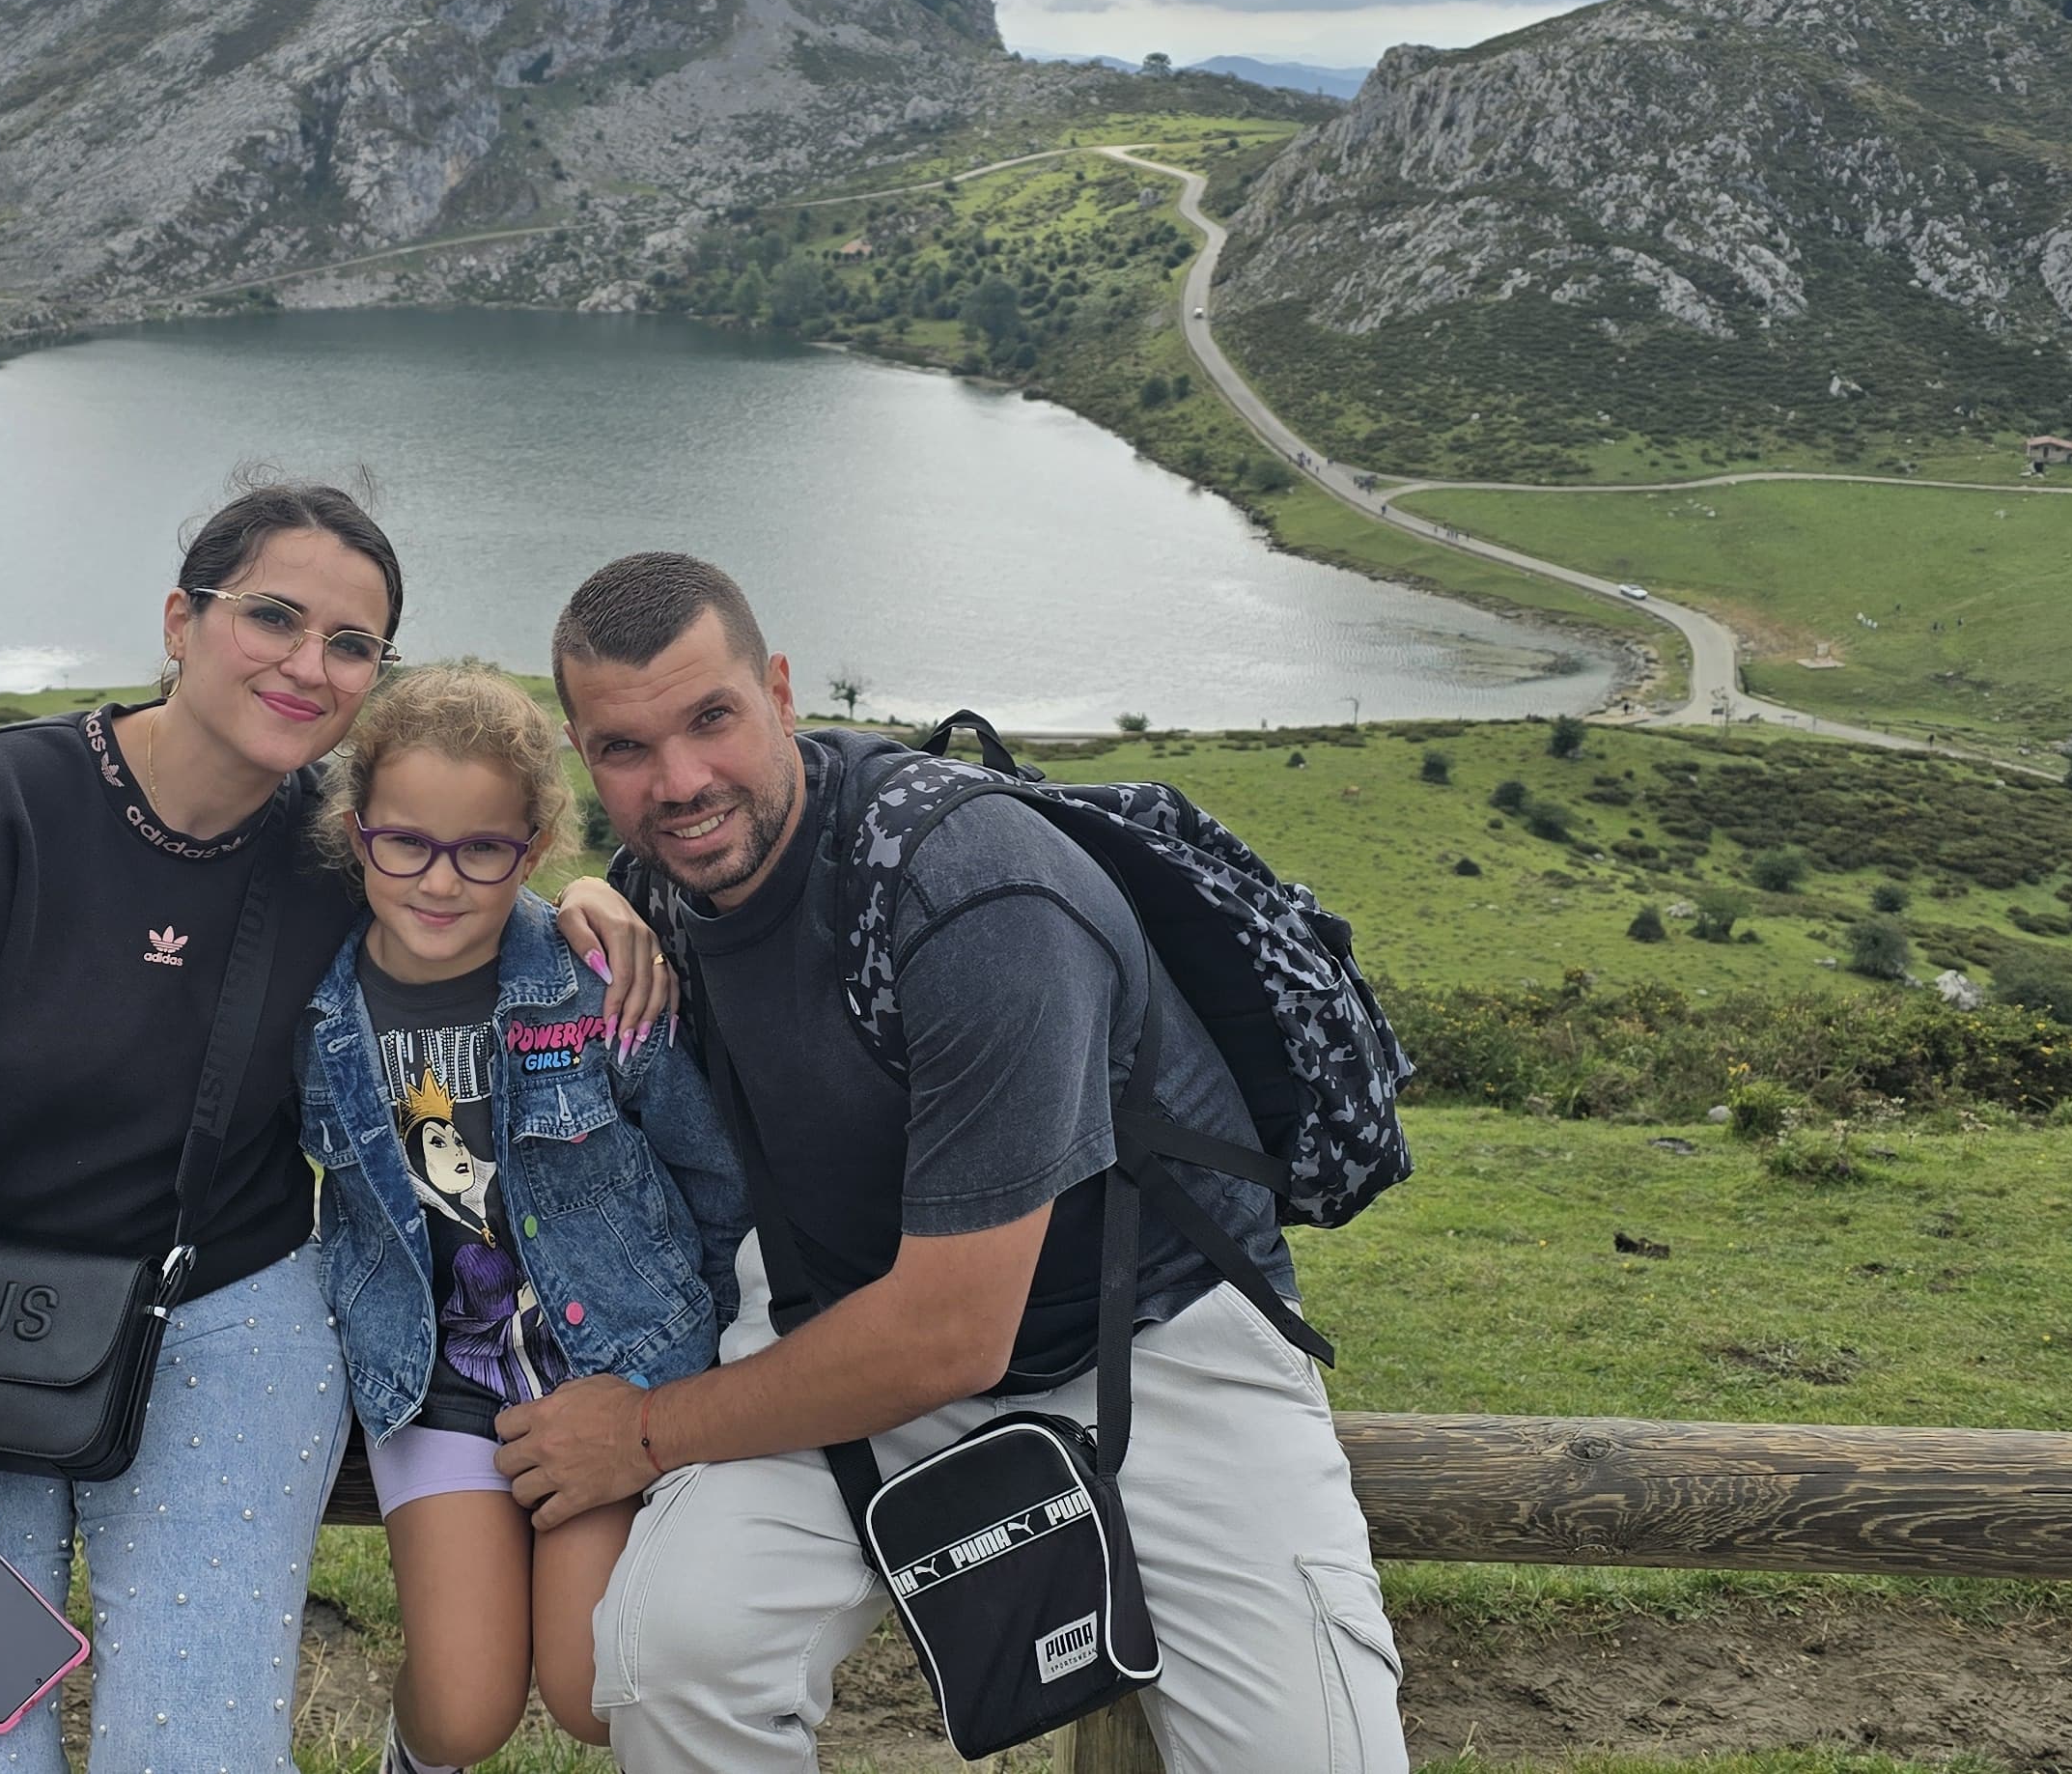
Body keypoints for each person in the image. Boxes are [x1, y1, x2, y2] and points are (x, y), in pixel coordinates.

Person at [0, 485, 676, 1772]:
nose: (310, 665)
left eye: (352, 643)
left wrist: (589, 904)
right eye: (274, 617)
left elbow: (466, 882)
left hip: (219, 1316)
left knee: (196, 1753)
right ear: (180, 621)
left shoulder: (337, 848)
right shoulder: (8, 800)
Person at [498, 551, 1407, 1774]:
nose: (680, 781)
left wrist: (645, 1432)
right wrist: (584, 898)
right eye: (624, 747)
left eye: (711, 717)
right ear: (582, 753)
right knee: (671, 1662)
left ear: (780, 690)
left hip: (1153, 1335)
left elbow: (950, 1334)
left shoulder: (970, 889)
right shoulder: (664, 887)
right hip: (840, 1326)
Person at [293, 661, 747, 1774]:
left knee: (595, 1690)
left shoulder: (596, 981)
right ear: (357, 836)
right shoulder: (312, 1009)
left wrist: (701, 1372)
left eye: (482, 849)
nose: (440, 880)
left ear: (534, 845)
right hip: (434, 1383)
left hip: (608, 1371)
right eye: (406, 843)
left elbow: (711, 1176)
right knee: (463, 1710)